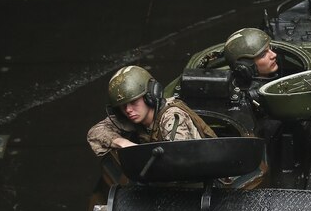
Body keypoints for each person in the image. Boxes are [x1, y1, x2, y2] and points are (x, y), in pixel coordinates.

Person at [87, 65, 216, 157]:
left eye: (134, 102)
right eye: (123, 106)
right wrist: (123, 143)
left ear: (150, 97)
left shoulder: (172, 117)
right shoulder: (134, 116)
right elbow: (95, 132)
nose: (128, 110)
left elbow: (177, 158)